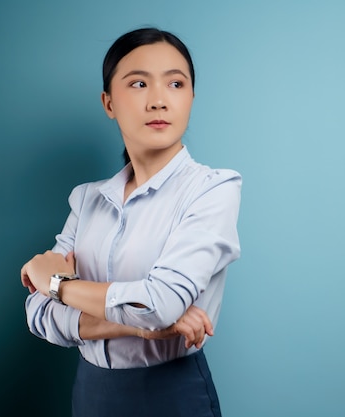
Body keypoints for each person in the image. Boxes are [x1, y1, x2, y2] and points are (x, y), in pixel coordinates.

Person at [20, 27, 241, 417]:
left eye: (175, 83)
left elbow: (160, 304)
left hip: (171, 394)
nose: (158, 100)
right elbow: (39, 317)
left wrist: (56, 283)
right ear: (108, 102)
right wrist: (136, 325)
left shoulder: (212, 189)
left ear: (190, 97)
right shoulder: (87, 200)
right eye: (138, 83)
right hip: (90, 394)